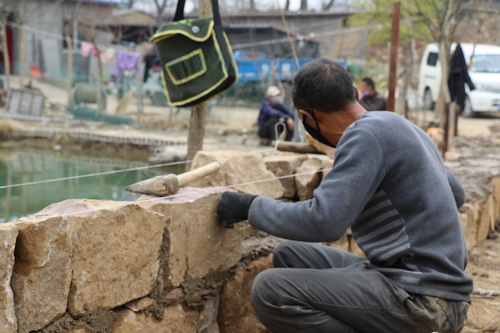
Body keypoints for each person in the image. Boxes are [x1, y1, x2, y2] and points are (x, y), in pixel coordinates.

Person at [218, 58, 472, 333]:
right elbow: (457, 193)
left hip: (424, 300)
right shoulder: (398, 124)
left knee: (270, 289)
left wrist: (250, 207)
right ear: (355, 91)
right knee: (289, 253)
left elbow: (324, 221)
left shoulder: (364, 135)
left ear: (306, 117)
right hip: (426, 286)